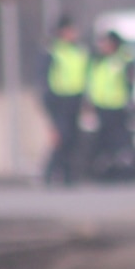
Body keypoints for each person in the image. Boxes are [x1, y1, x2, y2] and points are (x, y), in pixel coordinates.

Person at [40, 15, 88, 186]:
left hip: (76, 100)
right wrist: (48, 105)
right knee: (62, 138)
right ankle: (49, 172)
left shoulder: (80, 52)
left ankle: (68, 174)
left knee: (73, 139)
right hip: (59, 101)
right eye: (70, 30)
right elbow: (44, 80)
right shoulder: (53, 52)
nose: (74, 33)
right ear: (62, 32)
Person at [86, 31, 135, 180]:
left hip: (118, 107)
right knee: (103, 142)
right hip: (101, 107)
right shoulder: (97, 61)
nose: (103, 47)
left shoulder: (121, 59)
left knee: (120, 141)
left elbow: (131, 75)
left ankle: (124, 171)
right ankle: (104, 171)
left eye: (107, 43)